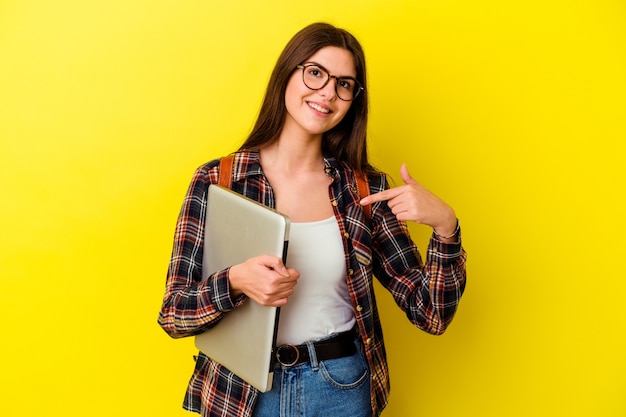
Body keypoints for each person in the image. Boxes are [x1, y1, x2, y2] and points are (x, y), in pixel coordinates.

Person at [158, 22, 467, 417]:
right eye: (316, 73)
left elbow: (431, 314)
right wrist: (235, 281)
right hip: (241, 393)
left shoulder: (363, 190)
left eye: (344, 84)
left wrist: (446, 227)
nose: (327, 93)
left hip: (340, 387)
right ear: (287, 74)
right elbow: (173, 315)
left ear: (353, 99)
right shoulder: (220, 180)